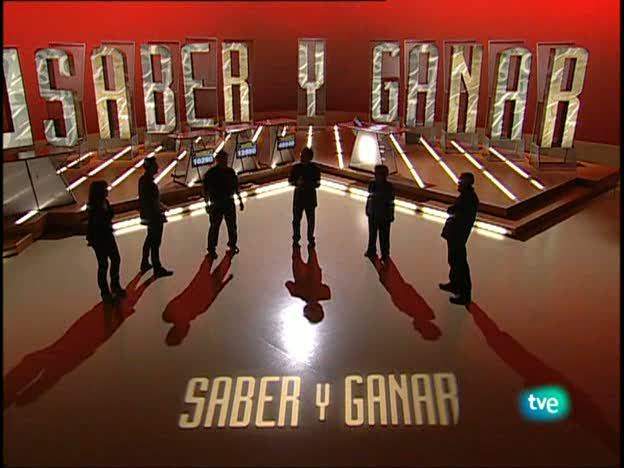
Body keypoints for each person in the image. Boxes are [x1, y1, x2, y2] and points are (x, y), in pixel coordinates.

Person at [439, 172, 479, 305]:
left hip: (458, 235)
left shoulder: (468, 199)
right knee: (453, 260)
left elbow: (460, 215)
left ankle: (464, 294)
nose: (458, 184)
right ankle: (455, 283)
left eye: (460, 182)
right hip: (455, 234)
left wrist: (452, 210)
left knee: (460, 263)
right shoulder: (467, 197)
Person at [86, 180, 126, 303]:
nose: (107, 191)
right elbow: (98, 223)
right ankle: (105, 292)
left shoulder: (104, 202)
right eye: (105, 189)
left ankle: (115, 286)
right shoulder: (94, 207)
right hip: (99, 239)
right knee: (103, 265)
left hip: (107, 235)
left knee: (115, 259)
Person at [203, 150, 244, 259]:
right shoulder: (211, 174)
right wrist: (206, 204)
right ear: (217, 160)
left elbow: (236, 187)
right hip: (217, 204)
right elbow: (205, 191)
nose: (225, 161)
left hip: (227, 202)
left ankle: (232, 244)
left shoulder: (229, 172)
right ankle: (212, 248)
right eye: (223, 159)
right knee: (215, 227)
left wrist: (240, 200)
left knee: (231, 226)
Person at [139, 157, 173, 277]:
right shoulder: (151, 185)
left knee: (149, 239)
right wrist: (163, 208)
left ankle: (144, 262)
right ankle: (157, 268)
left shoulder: (142, 180)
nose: (157, 167)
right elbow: (154, 203)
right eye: (155, 165)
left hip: (147, 215)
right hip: (155, 217)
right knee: (155, 243)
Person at [288, 147, 321, 247]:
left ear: (309, 157)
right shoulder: (296, 168)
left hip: (309, 199)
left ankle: (310, 239)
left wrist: (308, 184)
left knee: (310, 221)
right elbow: (290, 181)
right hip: (299, 199)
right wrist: (297, 183)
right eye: (301, 155)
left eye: (303, 155)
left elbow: (318, 183)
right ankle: (296, 239)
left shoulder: (315, 169)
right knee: (296, 220)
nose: (301, 157)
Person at [364, 164, 395, 263]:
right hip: (374, 213)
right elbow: (370, 197)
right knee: (372, 234)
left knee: (384, 236)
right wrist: (368, 210)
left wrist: (390, 215)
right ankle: (371, 250)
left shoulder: (388, 187)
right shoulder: (374, 184)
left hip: (383, 215)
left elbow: (390, 202)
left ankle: (385, 254)